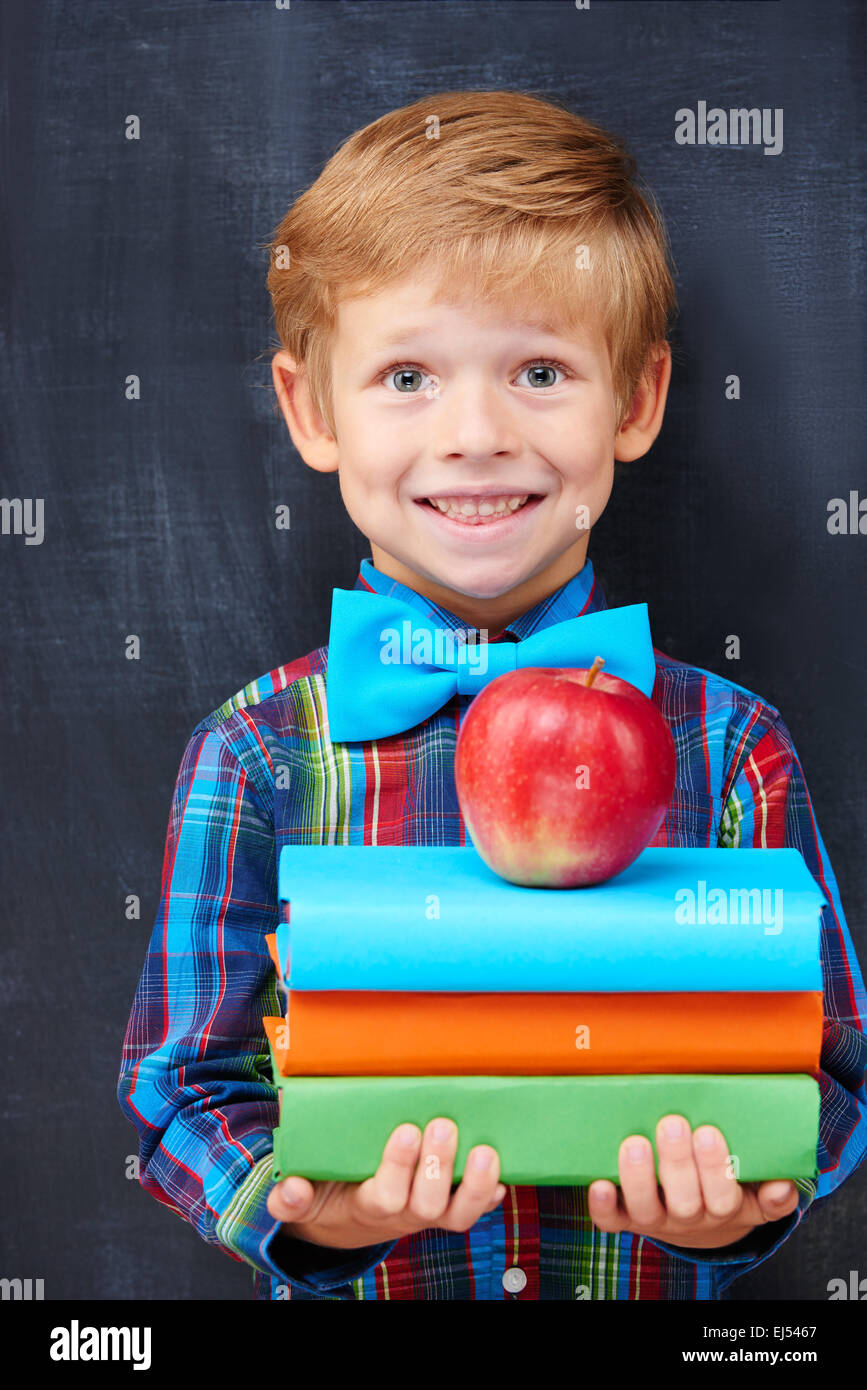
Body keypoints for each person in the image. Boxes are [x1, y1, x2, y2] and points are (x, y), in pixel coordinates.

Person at [117, 89, 867, 1301]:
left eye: (539, 370)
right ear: (312, 408)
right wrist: (320, 1212)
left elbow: (829, 1068)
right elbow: (181, 1088)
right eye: (407, 374)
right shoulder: (254, 752)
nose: (475, 433)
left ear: (634, 402)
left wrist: (741, 1206)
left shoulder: (733, 749)